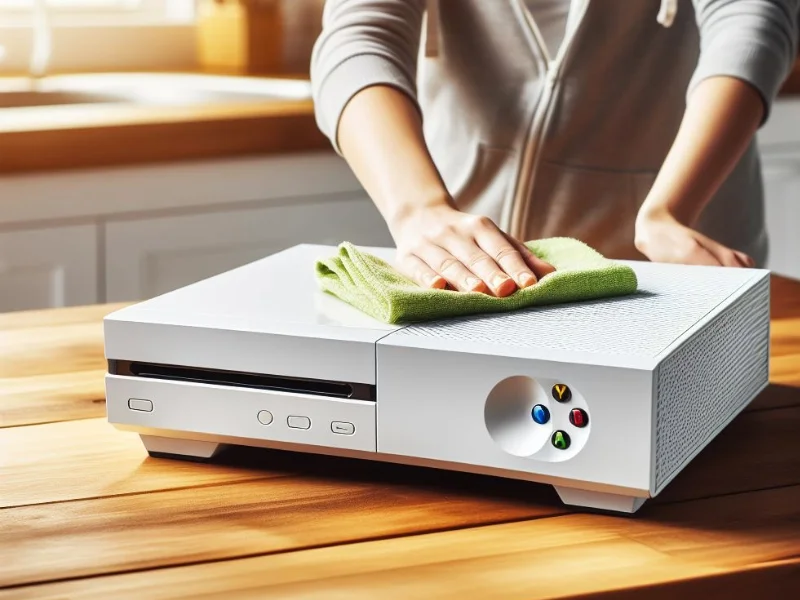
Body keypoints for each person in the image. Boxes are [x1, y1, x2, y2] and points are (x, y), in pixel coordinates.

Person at [309, 0, 799, 297]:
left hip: (676, 265)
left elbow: (750, 21)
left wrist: (671, 210)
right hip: (469, 272)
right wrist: (419, 209)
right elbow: (359, 34)